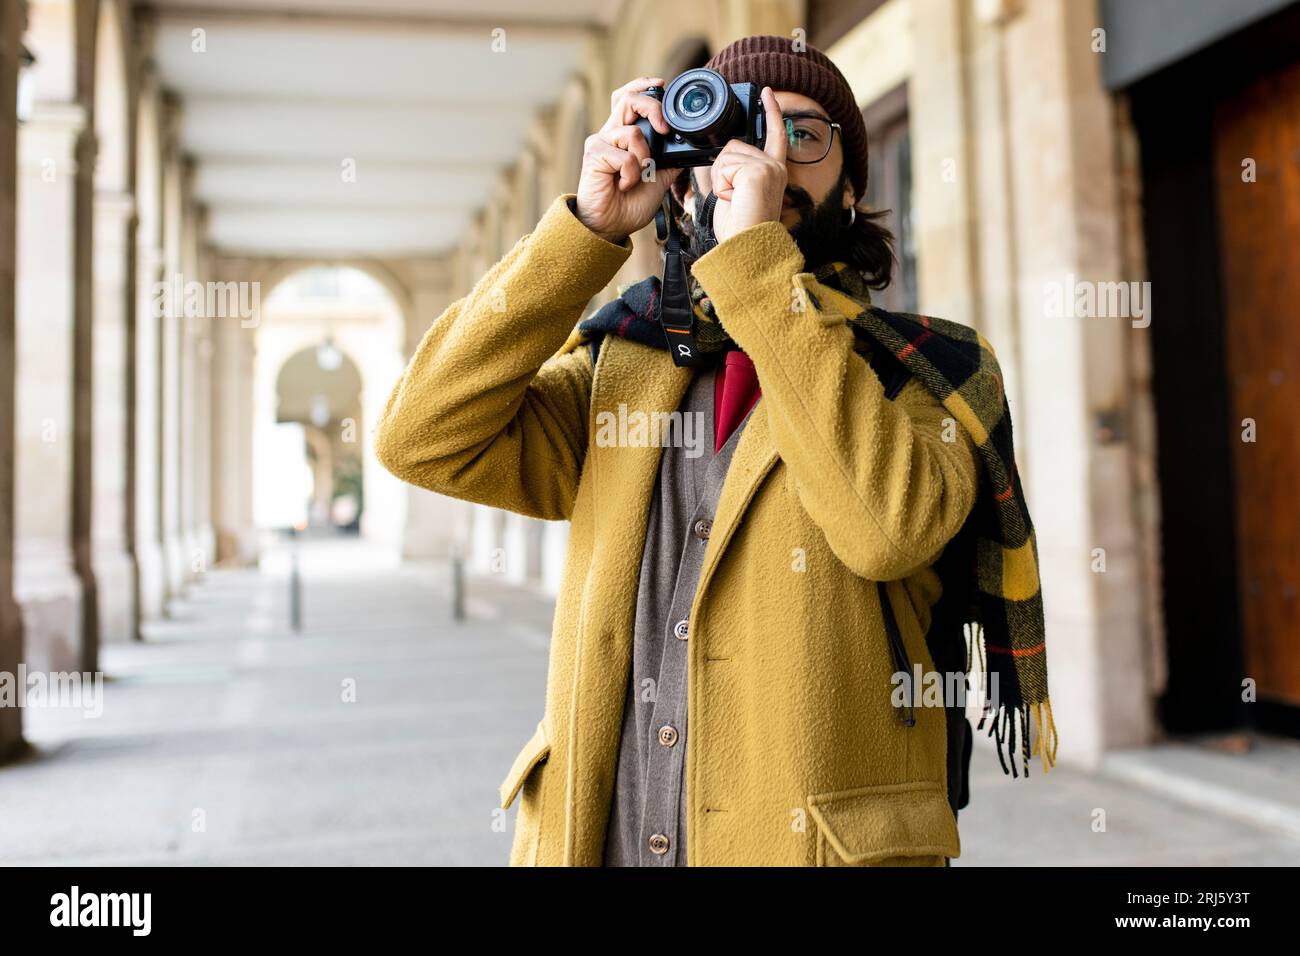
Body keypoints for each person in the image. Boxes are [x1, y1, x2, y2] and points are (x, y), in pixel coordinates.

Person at [374, 35, 1054, 867]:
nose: (766, 154)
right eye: (733, 127)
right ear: (685, 167)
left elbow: (888, 529)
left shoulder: (930, 368)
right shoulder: (620, 362)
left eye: (802, 134)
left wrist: (757, 271)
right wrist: (583, 233)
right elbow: (421, 437)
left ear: (853, 183)